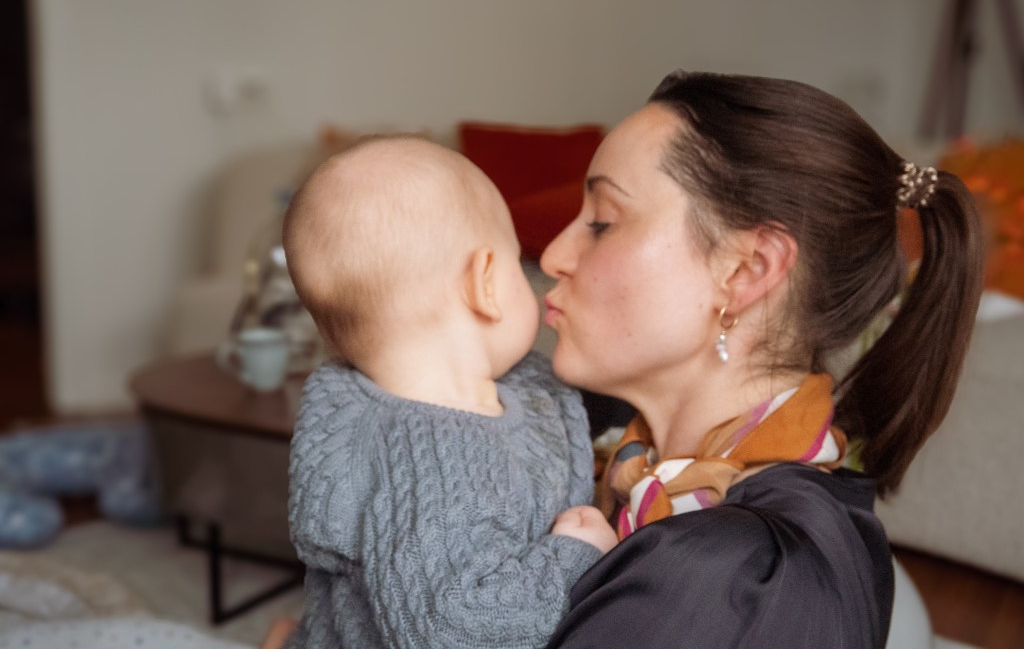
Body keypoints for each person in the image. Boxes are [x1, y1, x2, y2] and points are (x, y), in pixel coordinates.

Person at [537, 70, 984, 649]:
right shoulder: (627, 472)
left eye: (602, 222)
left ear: (746, 272)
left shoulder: (733, 574)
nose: (552, 255)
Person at [277, 135, 617, 649]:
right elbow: (458, 631)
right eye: (514, 260)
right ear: (483, 282)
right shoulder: (437, 457)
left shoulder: (487, 392)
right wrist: (573, 554)